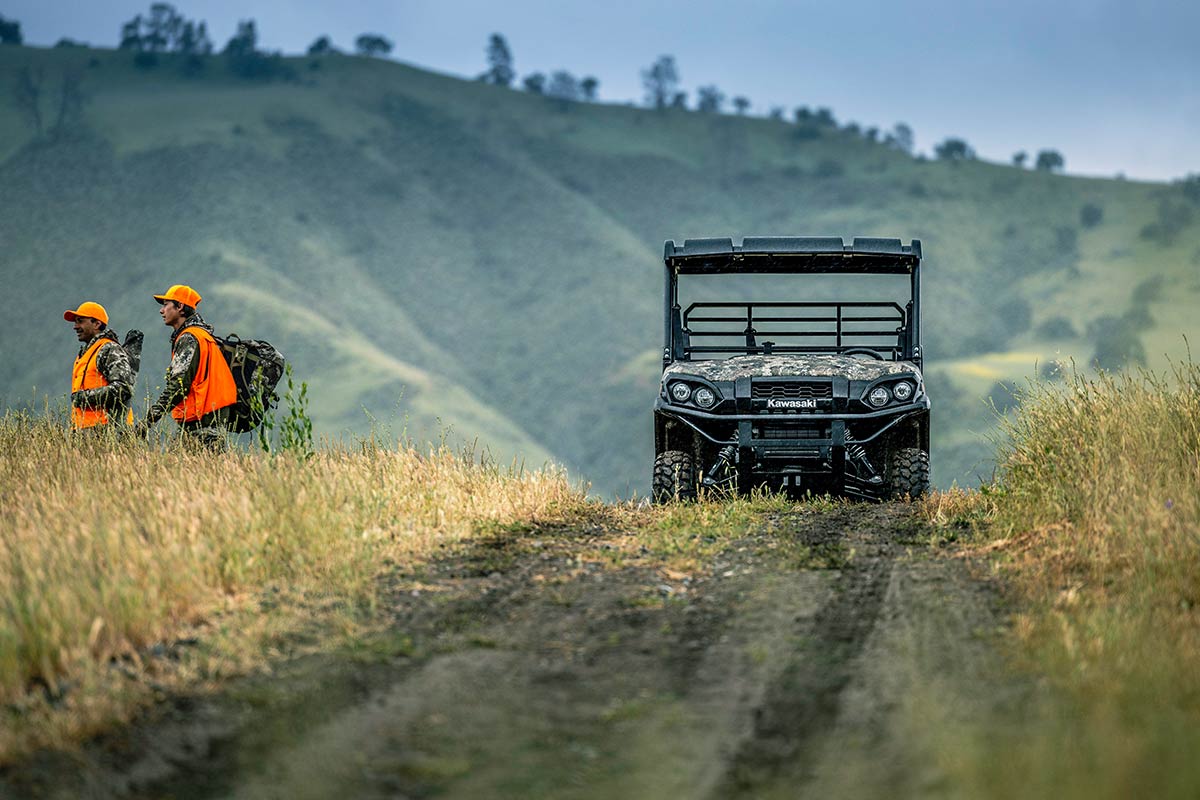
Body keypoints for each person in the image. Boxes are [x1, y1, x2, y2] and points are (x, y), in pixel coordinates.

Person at [136, 285, 236, 450]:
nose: (161, 311)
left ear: (180, 307)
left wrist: (148, 420)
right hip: (206, 421)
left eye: (166, 304)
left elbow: (178, 385)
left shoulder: (189, 338)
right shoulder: (202, 335)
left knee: (175, 469)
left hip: (202, 424)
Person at [65, 301, 134, 431]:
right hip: (86, 430)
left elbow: (123, 389)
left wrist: (84, 398)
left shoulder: (108, 349)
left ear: (97, 324)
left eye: (80, 321)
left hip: (106, 430)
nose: (75, 326)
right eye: (75, 322)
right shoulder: (86, 353)